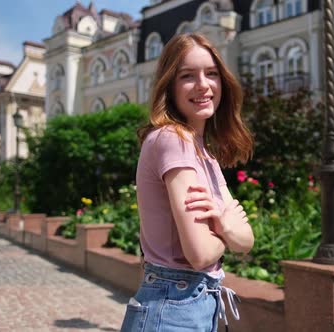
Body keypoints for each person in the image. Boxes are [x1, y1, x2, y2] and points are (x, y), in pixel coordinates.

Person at [120, 33, 254, 332]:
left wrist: (226, 227)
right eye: (187, 76)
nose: (203, 85)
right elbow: (200, 253)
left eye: (211, 74)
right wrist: (227, 227)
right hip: (172, 308)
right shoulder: (173, 139)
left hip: (189, 306)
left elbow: (247, 241)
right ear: (170, 85)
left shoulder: (204, 153)